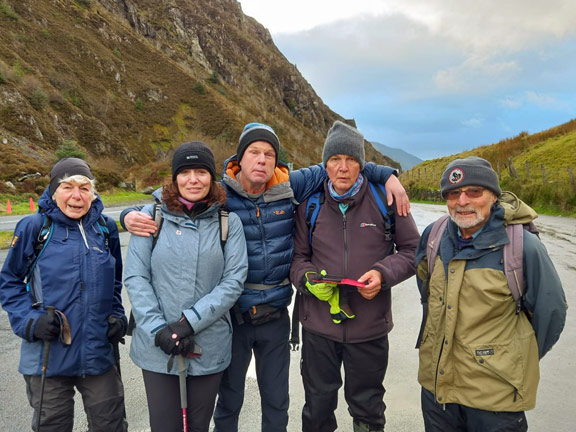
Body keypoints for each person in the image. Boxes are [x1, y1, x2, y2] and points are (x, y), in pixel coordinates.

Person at [121, 122, 409, 432]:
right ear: (239, 159)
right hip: (234, 316)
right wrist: (129, 215)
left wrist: (388, 175)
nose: (261, 159)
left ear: (276, 161)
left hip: (275, 314)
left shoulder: (290, 186)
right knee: (229, 401)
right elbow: (180, 193)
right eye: (254, 152)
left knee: (277, 402)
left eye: (269, 154)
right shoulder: (220, 194)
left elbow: (341, 163)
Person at [414, 156, 567, 432]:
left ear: (493, 196)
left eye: (474, 192)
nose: (462, 201)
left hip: (496, 402)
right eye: (453, 194)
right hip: (437, 393)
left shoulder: (523, 247)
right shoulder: (433, 236)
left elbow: (551, 314)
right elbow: (427, 293)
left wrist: (509, 359)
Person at [290, 120, 420, 432]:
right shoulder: (311, 204)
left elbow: (413, 250)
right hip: (319, 328)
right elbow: (297, 258)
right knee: (318, 407)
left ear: (362, 165)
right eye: (335, 160)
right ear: (326, 165)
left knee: (368, 408)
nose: (343, 168)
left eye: (351, 160)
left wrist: (382, 273)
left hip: (369, 329)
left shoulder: (384, 199)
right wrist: (307, 280)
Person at [123, 141, 248, 432]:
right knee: (165, 426)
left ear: (212, 177)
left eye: (201, 172)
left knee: (197, 425)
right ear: (175, 177)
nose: (193, 179)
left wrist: (187, 323)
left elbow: (233, 281)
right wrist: (159, 331)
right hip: (158, 347)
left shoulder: (229, 223)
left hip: (209, 345)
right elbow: (136, 277)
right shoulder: (151, 217)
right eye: (186, 172)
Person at [0, 157, 127, 432]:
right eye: (67, 186)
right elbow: (9, 281)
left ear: (93, 193)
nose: (76, 195)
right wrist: (30, 321)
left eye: (84, 187)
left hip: (98, 355)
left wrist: (117, 315)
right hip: (47, 354)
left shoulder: (105, 230)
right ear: (53, 191)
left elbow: (114, 282)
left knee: (111, 425)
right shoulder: (35, 228)